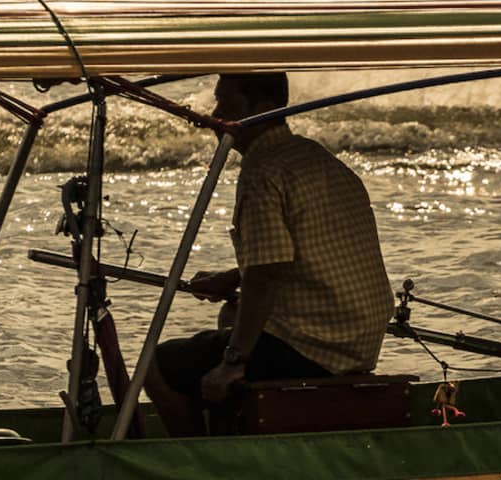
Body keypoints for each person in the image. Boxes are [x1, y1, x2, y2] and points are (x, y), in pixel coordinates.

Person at [146, 72, 395, 436]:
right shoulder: (314, 156)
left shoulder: (263, 172)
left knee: (155, 364)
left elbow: (265, 277)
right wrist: (231, 278)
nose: (216, 114)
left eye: (225, 102)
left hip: (316, 345)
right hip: (359, 337)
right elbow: (295, 252)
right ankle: (236, 432)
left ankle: (196, 465)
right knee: (232, 313)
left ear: (260, 106)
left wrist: (232, 363)